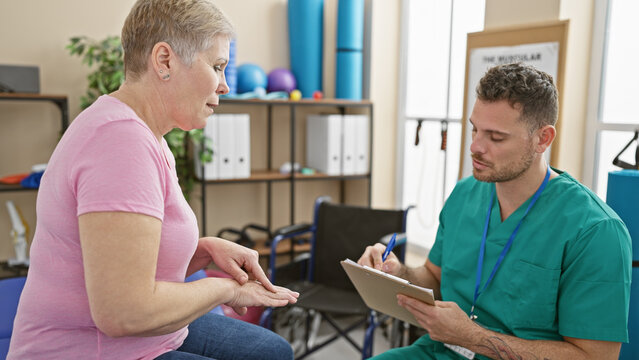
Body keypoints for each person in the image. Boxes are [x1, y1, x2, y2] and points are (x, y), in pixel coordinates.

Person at [8, 1, 298, 359]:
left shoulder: (145, 134)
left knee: (270, 351)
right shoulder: (120, 142)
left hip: (141, 339)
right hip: (88, 349)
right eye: (217, 66)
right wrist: (224, 291)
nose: (224, 85)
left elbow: (129, 260)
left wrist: (204, 250)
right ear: (164, 61)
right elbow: (123, 312)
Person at [359, 63, 631, 359]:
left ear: (543, 139)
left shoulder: (595, 231)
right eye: (475, 129)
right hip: (441, 351)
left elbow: (594, 357)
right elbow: (433, 280)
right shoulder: (465, 194)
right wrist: (397, 273)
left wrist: (472, 337)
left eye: (496, 137)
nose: (475, 146)